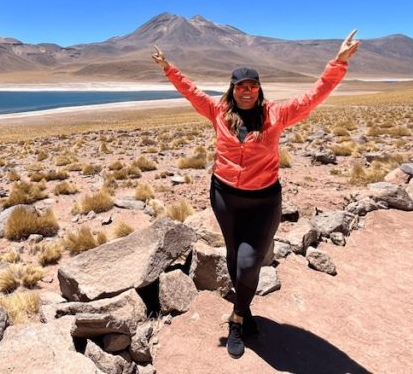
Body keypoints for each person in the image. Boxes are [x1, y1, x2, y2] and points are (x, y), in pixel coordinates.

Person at [151, 30, 361, 359]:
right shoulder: (217, 111)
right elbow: (190, 91)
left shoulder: (276, 114)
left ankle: (236, 318)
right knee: (235, 256)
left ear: (259, 89)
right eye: (240, 86)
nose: (246, 91)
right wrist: (168, 68)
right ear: (232, 90)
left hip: (264, 200)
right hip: (224, 196)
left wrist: (338, 63)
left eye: (252, 86)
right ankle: (245, 309)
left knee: (250, 261)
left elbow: (313, 96)